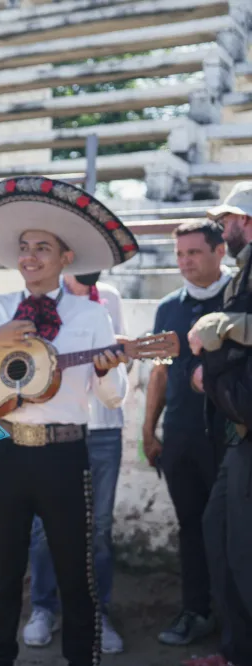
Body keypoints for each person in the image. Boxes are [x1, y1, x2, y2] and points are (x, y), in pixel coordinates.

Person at [0, 177, 133, 666]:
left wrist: (107, 372)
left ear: (65, 258)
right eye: (24, 247)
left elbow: (113, 398)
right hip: (7, 450)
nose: (30, 256)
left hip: (65, 452)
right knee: (3, 569)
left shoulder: (91, 316)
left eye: (42, 247)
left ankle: (83, 657)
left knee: (76, 569)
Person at [23, 270, 128, 654]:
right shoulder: (35, 301)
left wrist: (108, 365)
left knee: (98, 528)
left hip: (102, 429)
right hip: (51, 427)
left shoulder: (110, 299)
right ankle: (43, 608)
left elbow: (119, 369)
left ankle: (96, 613)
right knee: (41, 527)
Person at [144, 219, 233, 646]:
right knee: (192, 528)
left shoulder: (240, 299)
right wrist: (149, 430)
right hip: (180, 437)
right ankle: (196, 612)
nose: (185, 262)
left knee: (236, 531)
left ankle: (237, 622)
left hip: (233, 438)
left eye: (194, 252)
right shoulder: (168, 308)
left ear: (220, 251)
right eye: (180, 254)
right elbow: (159, 375)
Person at [184, 182, 252, 666]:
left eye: (227, 220)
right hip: (238, 427)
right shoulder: (243, 272)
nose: (222, 228)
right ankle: (234, 650)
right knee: (221, 532)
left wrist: (224, 328)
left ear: (244, 221)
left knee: (243, 549)